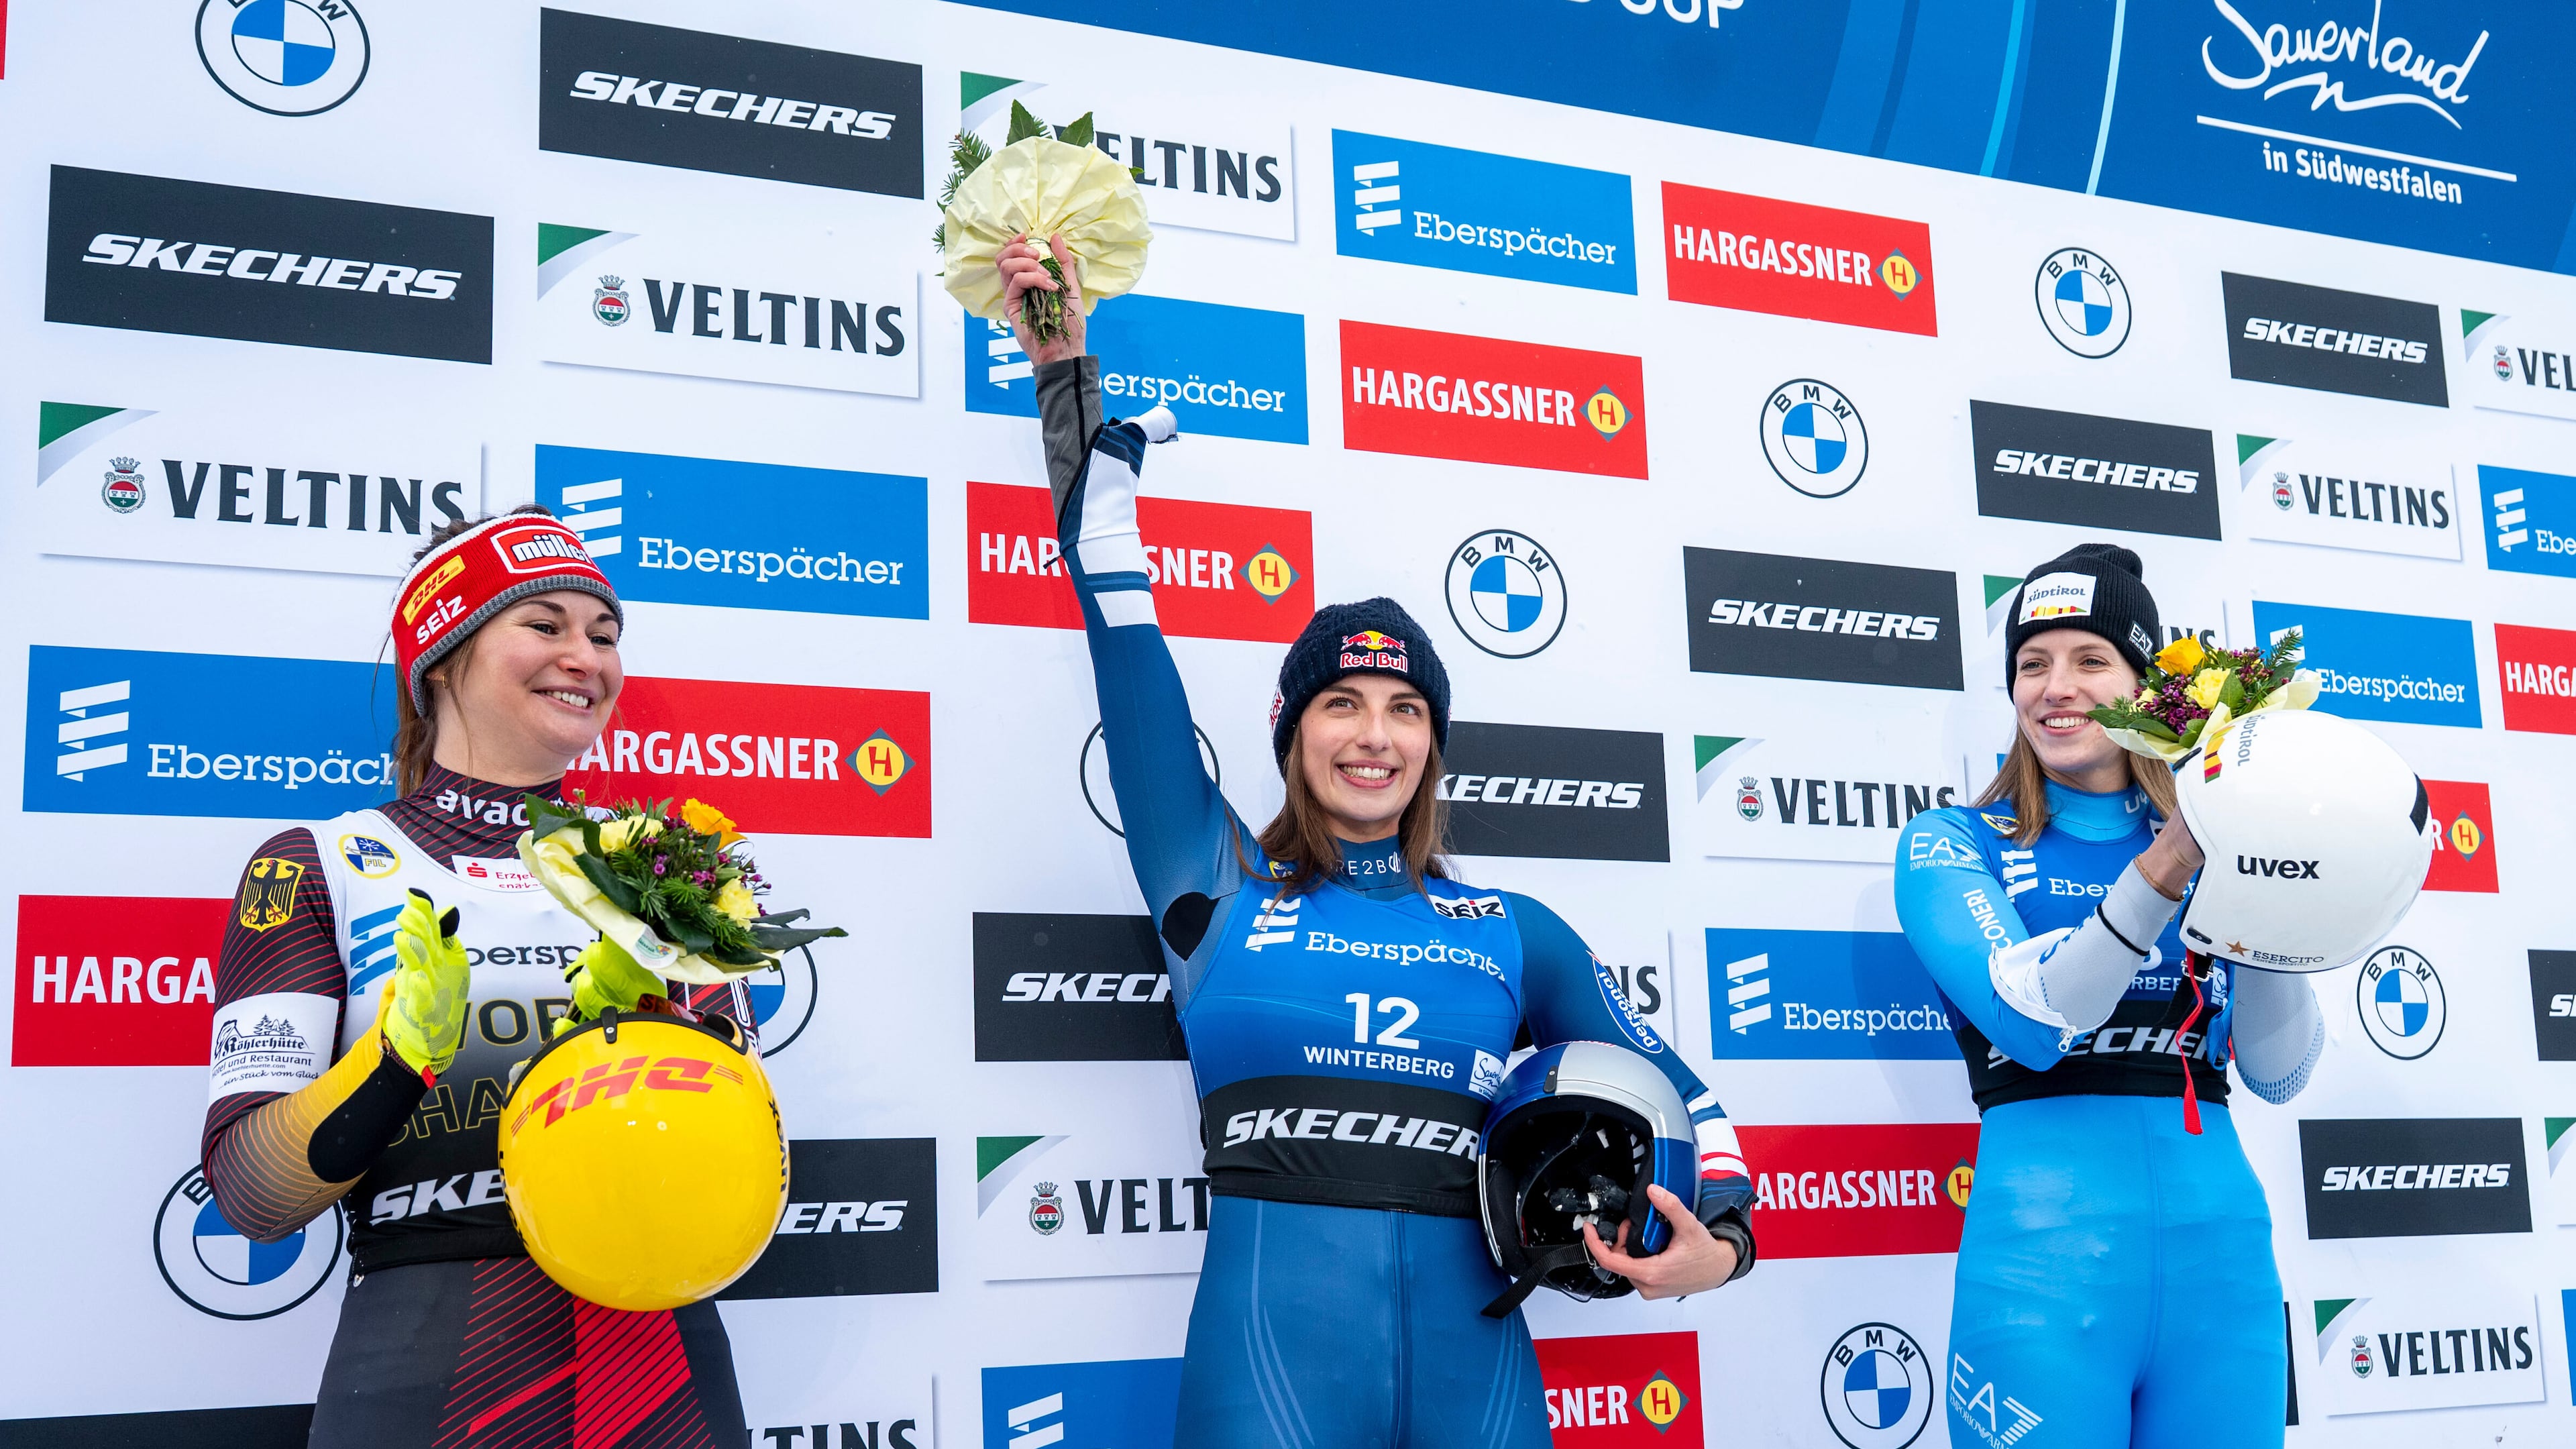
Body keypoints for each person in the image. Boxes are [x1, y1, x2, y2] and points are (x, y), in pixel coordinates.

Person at [1000, 233, 1758, 1449]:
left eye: (1407, 710)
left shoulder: (1510, 931)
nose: (1375, 736)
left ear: (1433, 746)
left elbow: (1693, 1101)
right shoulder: (1213, 884)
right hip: (1271, 1378)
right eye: (1341, 705)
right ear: (1290, 733)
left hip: (1488, 1387)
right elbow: (1116, 612)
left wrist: (1719, 1244)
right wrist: (1066, 380)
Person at [199, 506, 753, 1448]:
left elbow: (743, 1158)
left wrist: (670, 1050)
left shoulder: (663, 868)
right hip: (434, 1361)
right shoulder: (317, 863)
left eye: (605, 635)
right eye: (545, 625)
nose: (587, 656)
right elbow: (253, 1196)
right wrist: (392, 1062)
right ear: (443, 659)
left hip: (663, 1366)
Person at [1894, 544, 2322, 1449]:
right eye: (2032, 664)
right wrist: (2170, 865)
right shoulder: (1953, 842)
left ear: (2144, 690)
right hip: (2042, 1275)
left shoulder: (2215, 840)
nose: (2057, 687)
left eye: (2092, 661)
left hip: (2227, 1276)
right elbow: (2034, 1024)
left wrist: (2259, 880)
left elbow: (2281, 1074)